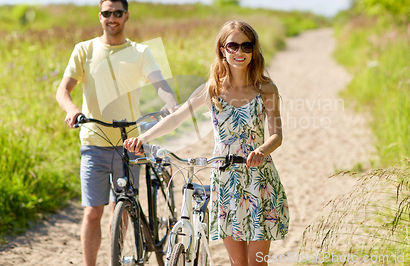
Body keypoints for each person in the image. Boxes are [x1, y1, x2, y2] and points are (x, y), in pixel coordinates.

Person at [124, 20, 289, 266]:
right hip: (224, 180)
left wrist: (261, 151)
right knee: (238, 263)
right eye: (233, 46)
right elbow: (175, 120)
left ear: (254, 50)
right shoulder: (210, 90)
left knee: (256, 263)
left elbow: (277, 134)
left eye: (246, 46)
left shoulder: (265, 89)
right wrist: (143, 138)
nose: (240, 52)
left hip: (258, 179)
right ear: (222, 49)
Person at [56, 0, 178, 266]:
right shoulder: (84, 50)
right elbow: (63, 90)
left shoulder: (140, 52)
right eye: (107, 13)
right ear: (99, 16)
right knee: (92, 212)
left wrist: (170, 102)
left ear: (126, 16)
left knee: (121, 209)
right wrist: (72, 110)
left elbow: (158, 82)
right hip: (93, 141)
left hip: (130, 143)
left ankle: (116, 260)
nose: (112, 18)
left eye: (118, 13)